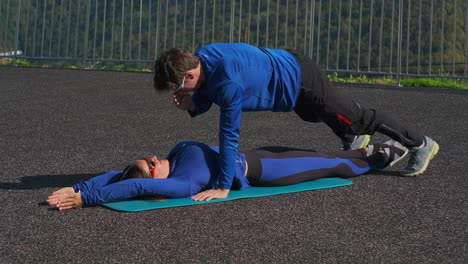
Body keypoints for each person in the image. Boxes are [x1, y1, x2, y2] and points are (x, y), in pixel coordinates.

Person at [152, 43, 439, 201]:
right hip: (292, 84)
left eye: (179, 88)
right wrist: (193, 103)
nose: (178, 93)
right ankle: (351, 137)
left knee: (361, 118)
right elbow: (206, 91)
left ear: (190, 74)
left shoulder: (227, 82)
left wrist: (224, 185)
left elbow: (228, 136)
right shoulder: (204, 57)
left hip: (302, 80)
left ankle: (420, 143)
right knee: (321, 115)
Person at [46, 140, 408, 210]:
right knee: (329, 166)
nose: (151, 158)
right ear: (156, 178)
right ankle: (378, 158)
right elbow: (136, 182)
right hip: (266, 171)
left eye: (147, 157)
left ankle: (365, 150)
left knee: (318, 154)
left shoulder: (178, 154)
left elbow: (120, 174)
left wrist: (80, 185)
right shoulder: (180, 184)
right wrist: (86, 199)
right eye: (150, 163)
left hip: (258, 151)